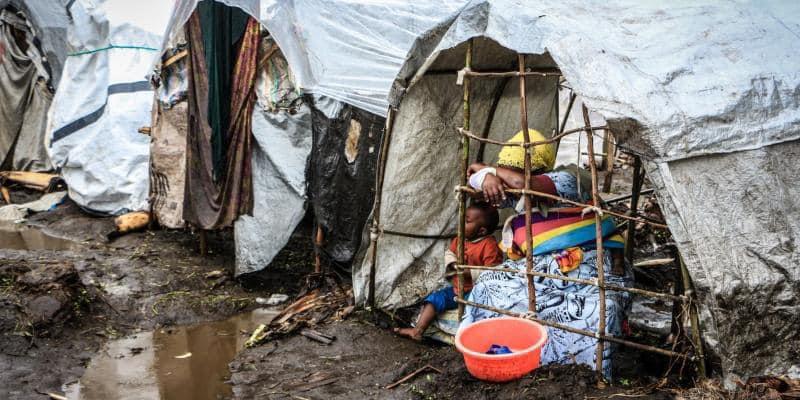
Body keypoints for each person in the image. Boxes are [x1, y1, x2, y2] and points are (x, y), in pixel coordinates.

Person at [462, 129, 631, 378]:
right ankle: (505, 350)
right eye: (504, 170)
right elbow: (472, 179)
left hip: (583, 262)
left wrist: (488, 171)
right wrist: (484, 176)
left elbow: (520, 184)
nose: (507, 180)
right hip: (539, 265)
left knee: (599, 310)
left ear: (536, 170)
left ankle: (577, 372)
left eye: (512, 171)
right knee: (487, 284)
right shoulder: (511, 191)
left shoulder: (565, 180)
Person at [395, 202, 503, 340]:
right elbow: (450, 253)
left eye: (467, 221)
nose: (461, 222)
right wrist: (452, 264)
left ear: (481, 231)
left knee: (475, 312)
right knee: (434, 299)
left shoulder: (489, 246)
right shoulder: (460, 239)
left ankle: (470, 336)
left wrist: (469, 273)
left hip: (476, 293)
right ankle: (417, 330)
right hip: (457, 289)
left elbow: (494, 272)